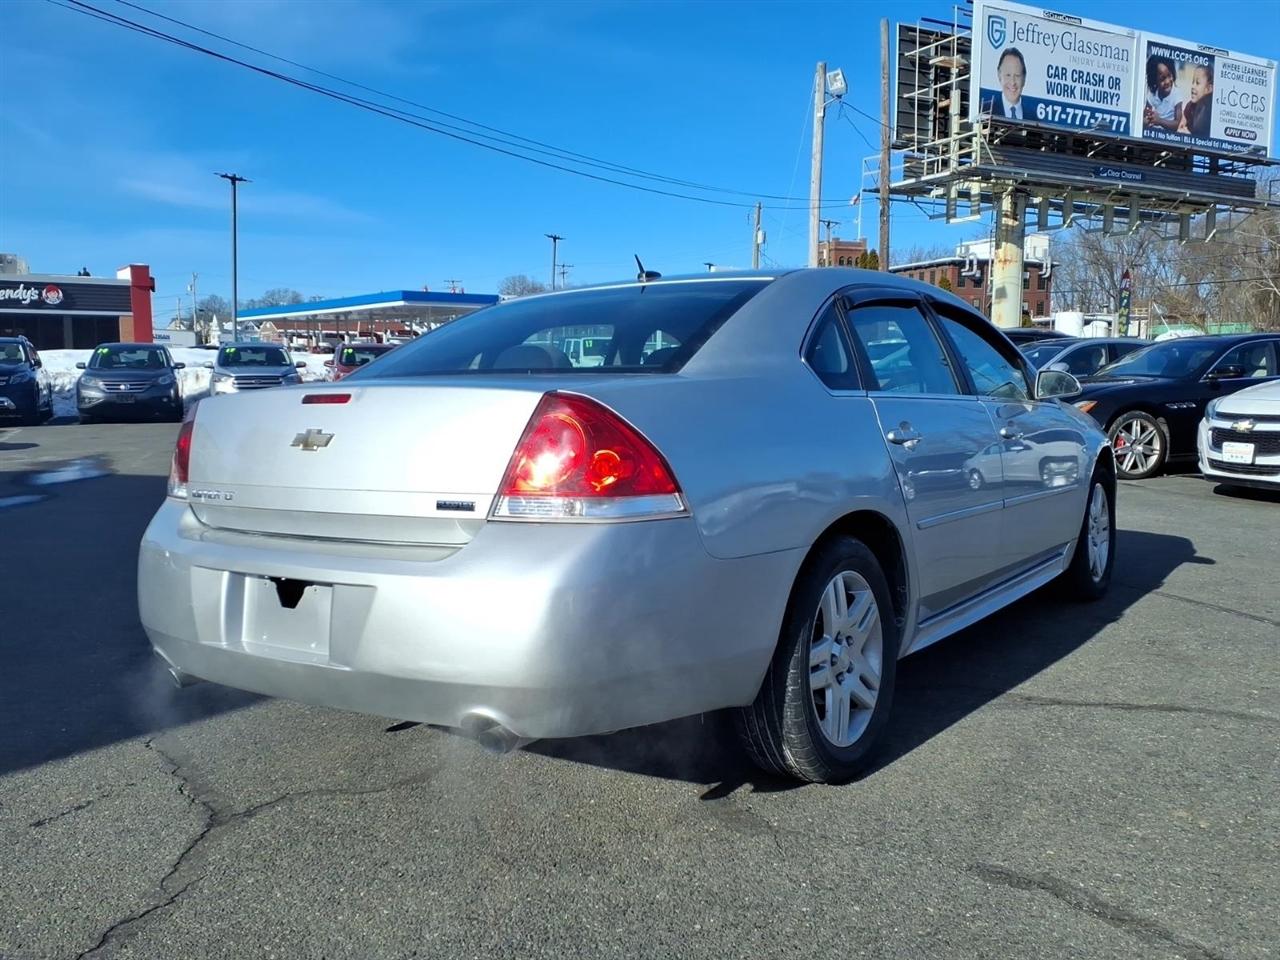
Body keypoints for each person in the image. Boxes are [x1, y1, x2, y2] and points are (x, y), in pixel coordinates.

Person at [984, 48, 1036, 120]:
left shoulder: (1034, 119)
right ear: (999, 75)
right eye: (1008, 75)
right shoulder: (985, 111)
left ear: (1024, 78)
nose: (1012, 82)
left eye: (1017, 75)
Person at [1142, 55, 1182, 132]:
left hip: (1168, 136)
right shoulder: (1153, 93)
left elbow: (1176, 125)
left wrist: (1159, 121)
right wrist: (1147, 118)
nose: (1167, 81)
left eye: (1169, 75)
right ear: (1154, 81)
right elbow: (1145, 115)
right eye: (1162, 79)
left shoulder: (1176, 94)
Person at [1178, 64, 1213, 137]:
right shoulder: (1189, 105)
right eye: (1193, 82)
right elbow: (1180, 127)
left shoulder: (1210, 111)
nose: (1193, 86)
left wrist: (1191, 138)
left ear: (1209, 89)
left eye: (1197, 83)